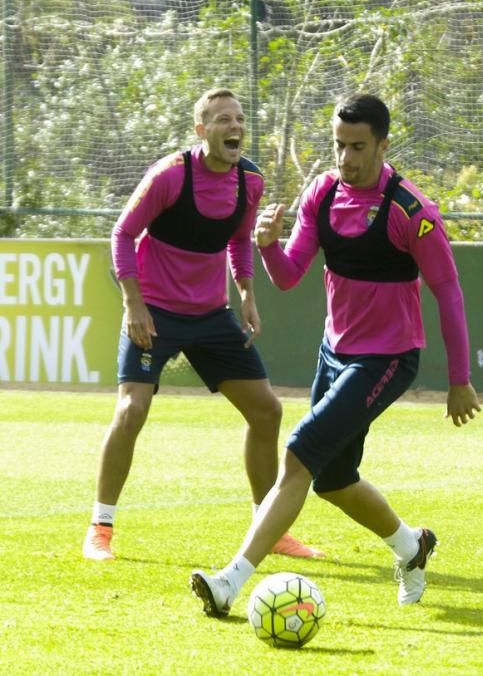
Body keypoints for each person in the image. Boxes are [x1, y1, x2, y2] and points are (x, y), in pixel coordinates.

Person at [190, 92, 481, 613]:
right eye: (339, 145)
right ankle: (412, 547)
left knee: (299, 451)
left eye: (358, 147)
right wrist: (268, 246)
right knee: (333, 479)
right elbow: (287, 277)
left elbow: (449, 291)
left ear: (383, 145)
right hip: (335, 351)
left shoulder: (412, 212)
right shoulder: (322, 193)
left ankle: (230, 582)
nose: (345, 158)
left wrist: (460, 379)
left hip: (387, 357)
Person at [83, 88, 323, 561]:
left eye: (238, 118)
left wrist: (248, 294)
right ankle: (100, 528)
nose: (234, 127)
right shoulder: (170, 176)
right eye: (221, 120)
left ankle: (268, 525)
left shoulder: (249, 182)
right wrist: (134, 304)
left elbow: (238, 239)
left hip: (211, 316)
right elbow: (123, 234)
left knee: (267, 412)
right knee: (132, 411)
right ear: (201, 130)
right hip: (156, 312)